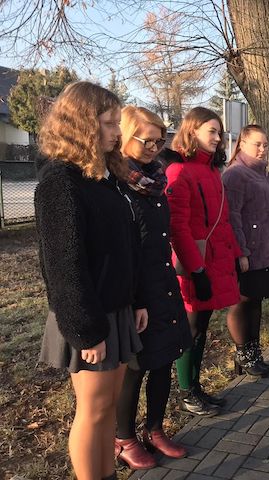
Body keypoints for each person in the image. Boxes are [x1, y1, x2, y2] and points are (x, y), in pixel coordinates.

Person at [35, 82, 145, 480]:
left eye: (117, 122)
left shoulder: (104, 178)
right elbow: (63, 267)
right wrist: (86, 331)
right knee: (93, 410)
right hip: (88, 316)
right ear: (82, 124)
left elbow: (126, 247)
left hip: (117, 309)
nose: (118, 132)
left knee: (108, 408)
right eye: (109, 123)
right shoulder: (60, 182)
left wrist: (137, 300)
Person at [114, 106, 193, 469]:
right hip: (137, 289)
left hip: (163, 282)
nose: (154, 148)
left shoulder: (155, 181)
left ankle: (155, 429)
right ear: (124, 136)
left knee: (165, 357)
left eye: (160, 141)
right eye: (147, 140)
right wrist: (135, 299)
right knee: (136, 366)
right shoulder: (117, 185)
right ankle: (124, 438)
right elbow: (122, 249)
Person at [165, 107, 242, 416]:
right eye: (211, 131)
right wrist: (196, 270)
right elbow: (178, 227)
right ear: (191, 131)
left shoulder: (211, 171)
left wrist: (234, 256)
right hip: (194, 263)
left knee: (202, 325)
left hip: (214, 261)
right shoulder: (179, 171)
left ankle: (195, 387)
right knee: (191, 327)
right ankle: (186, 391)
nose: (218, 137)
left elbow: (222, 222)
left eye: (219, 132)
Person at [223, 124, 269, 377]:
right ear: (242, 144)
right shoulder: (235, 174)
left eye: (265, 144)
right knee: (242, 301)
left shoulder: (264, 174)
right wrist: (241, 251)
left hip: (268, 251)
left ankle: (254, 352)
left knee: (256, 301)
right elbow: (232, 216)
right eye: (257, 144)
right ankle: (243, 354)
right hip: (248, 252)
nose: (262, 149)